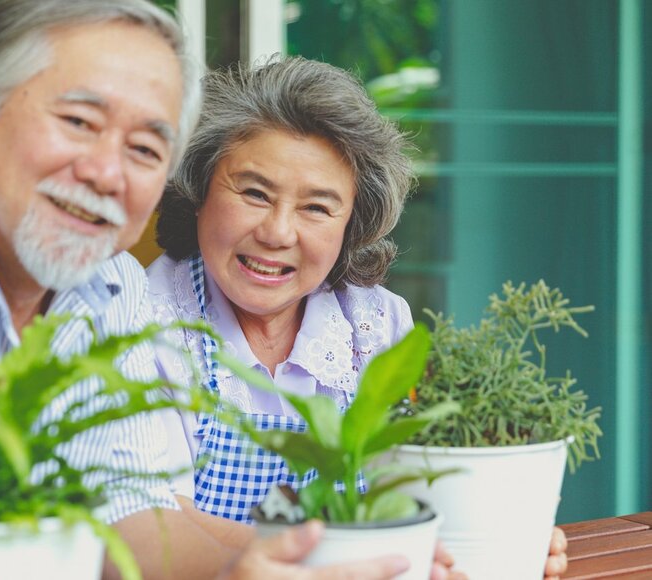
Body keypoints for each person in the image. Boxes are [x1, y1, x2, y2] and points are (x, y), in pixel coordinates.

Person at [0, 1, 423, 578]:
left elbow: (127, 517)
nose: (105, 172)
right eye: (79, 121)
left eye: (145, 148)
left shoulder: (105, 281)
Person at [148, 57, 568, 579]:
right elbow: (152, 522)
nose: (278, 233)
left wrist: (496, 533)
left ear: (352, 227)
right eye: (254, 193)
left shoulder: (376, 323)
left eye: (317, 208)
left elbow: (416, 493)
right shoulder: (144, 319)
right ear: (199, 194)